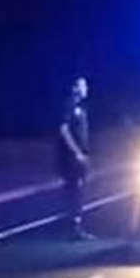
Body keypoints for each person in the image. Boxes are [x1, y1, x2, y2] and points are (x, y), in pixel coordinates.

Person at [56, 76, 93, 240]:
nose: (86, 88)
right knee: (74, 191)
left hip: (80, 155)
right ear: (75, 88)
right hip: (71, 158)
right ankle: (72, 228)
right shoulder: (70, 104)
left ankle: (76, 226)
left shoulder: (81, 106)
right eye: (82, 85)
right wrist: (76, 152)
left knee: (79, 190)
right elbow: (63, 129)